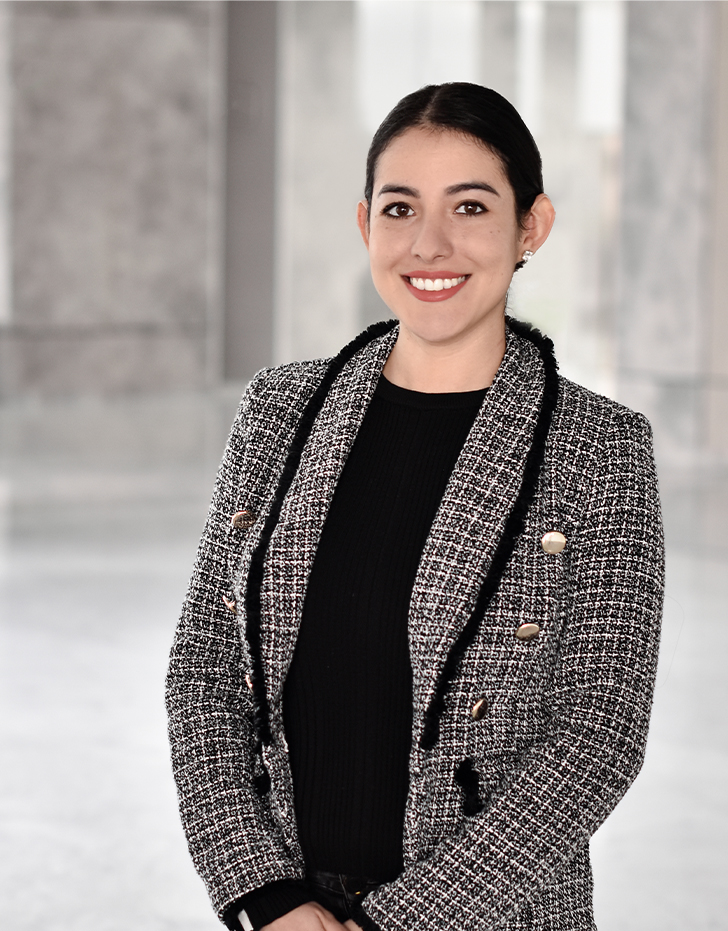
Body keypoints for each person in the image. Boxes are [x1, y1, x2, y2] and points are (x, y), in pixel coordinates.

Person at [166, 83, 664, 931]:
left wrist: (401, 921)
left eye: (470, 205)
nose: (429, 242)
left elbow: (598, 733)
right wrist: (263, 892)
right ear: (366, 226)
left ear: (531, 227)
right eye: (400, 208)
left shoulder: (598, 446)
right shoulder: (279, 412)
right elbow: (204, 672)